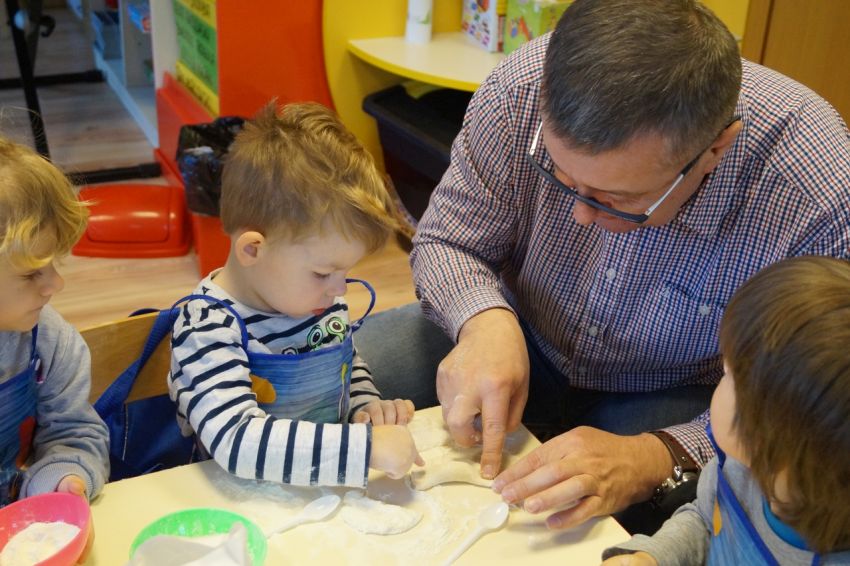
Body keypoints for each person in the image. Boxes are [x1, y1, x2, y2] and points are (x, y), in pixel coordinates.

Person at [353, 0, 850, 533]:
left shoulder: (817, 199)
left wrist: (656, 455)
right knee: (324, 379)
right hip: (515, 327)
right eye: (561, 177)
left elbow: (807, 405)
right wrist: (482, 321)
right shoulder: (521, 89)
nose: (582, 214)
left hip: (668, 391)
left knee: (644, 523)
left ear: (715, 149)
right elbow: (448, 239)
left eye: (620, 199)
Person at [168, 101, 422, 489]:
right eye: (323, 272)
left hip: (318, 492)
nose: (339, 289)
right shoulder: (207, 327)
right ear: (253, 249)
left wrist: (365, 408)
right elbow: (236, 440)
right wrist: (364, 449)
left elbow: (345, 366)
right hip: (241, 501)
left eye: (345, 272)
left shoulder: (317, 300)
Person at [601, 256, 850, 564]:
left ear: (764, 435)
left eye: (728, 373)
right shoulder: (738, 470)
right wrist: (650, 557)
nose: (719, 379)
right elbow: (706, 520)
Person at [0, 137, 109, 506]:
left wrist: (61, 478)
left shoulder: (49, 340)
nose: (56, 284)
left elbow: (72, 432)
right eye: (32, 274)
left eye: (53, 265)